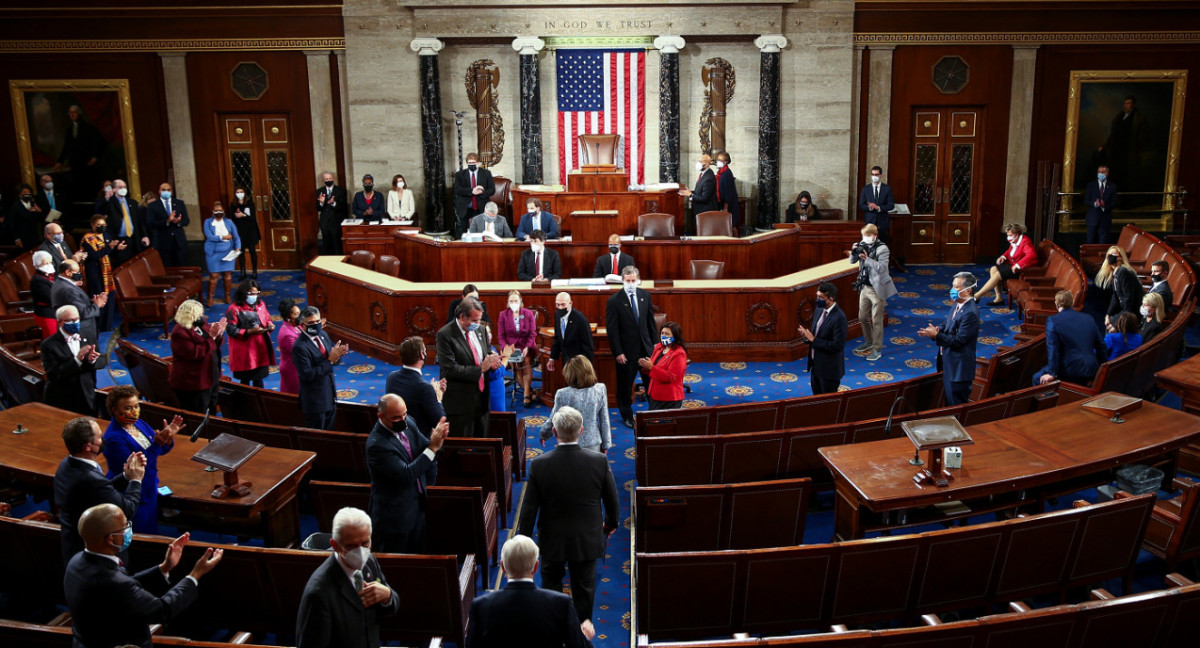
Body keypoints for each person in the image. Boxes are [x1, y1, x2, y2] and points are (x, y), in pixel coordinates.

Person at [64, 503, 222, 648]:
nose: (128, 530)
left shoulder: (76, 562)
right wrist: (195, 574)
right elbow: (162, 610)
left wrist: (165, 567)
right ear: (110, 539)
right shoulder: (115, 583)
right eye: (125, 526)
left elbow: (122, 589)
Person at [518, 406, 619, 624]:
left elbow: (528, 510)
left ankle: (554, 635)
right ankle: (582, 634)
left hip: (552, 540)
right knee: (584, 592)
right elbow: (612, 501)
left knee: (551, 590)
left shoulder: (539, 464)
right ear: (581, 430)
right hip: (587, 539)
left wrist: (523, 541)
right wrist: (610, 525)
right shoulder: (599, 461)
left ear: (554, 432)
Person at [296, 507, 400, 648]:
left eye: (365, 543)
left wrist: (387, 597)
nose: (360, 552)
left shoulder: (370, 562)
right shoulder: (319, 592)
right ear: (335, 545)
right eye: (351, 546)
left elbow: (390, 606)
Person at [465, 535, 594, 648]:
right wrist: (585, 637)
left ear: (503, 566)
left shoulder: (481, 606)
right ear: (536, 566)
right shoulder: (561, 603)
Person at [54, 417, 146, 565]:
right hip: (96, 557)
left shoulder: (66, 465)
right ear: (88, 447)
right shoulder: (90, 480)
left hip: (72, 546)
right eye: (99, 437)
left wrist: (125, 476)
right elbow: (127, 510)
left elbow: (102, 491)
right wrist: (136, 480)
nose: (103, 440)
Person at [366, 394, 448, 554]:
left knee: (418, 556)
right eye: (396, 417)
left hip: (417, 505)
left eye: (404, 414)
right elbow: (406, 475)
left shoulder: (408, 422)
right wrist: (433, 448)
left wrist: (438, 439)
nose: (403, 420)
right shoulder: (377, 445)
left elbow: (427, 446)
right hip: (395, 517)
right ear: (381, 416)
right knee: (398, 566)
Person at [102, 385, 183, 534]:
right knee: (140, 534)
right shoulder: (113, 439)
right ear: (114, 410)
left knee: (151, 529)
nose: (134, 411)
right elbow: (135, 468)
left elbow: (159, 449)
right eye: (128, 408)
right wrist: (158, 443)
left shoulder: (138, 424)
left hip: (149, 486)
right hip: (131, 493)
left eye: (136, 405)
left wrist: (167, 438)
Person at [437, 298, 502, 437]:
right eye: (474, 321)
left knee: (482, 444)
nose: (478, 324)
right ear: (462, 317)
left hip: (482, 398)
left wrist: (493, 361)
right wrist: (481, 369)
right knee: (461, 447)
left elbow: (486, 352)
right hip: (460, 402)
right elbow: (450, 369)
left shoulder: (482, 330)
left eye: (479, 320)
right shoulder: (445, 335)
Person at [918, 271, 980, 406]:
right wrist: (938, 329)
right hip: (949, 365)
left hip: (959, 370)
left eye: (956, 287)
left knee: (955, 407)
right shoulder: (957, 305)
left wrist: (936, 335)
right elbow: (948, 323)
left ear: (968, 290)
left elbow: (958, 341)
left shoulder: (970, 313)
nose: (952, 290)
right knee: (948, 404)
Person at [606, 266, 656, 429]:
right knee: (625, 387)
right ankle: (627, 416)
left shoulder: (645, 295)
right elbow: (612, 330)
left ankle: (653, 413)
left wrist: (655, 346)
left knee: (651, 384)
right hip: (626, 353)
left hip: (646, 349)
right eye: (627, 281)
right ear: (622, 280)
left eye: (633, 281)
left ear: (638, 280)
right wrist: (618, 352)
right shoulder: (614, 301)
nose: (630, 284)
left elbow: (650, 322)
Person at [42, 305, 107, 415]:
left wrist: (92, 360)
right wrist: (77, 360)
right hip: (63, 398)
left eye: (76, 319)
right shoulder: (49, 345)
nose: (74, 323)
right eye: (70, 320)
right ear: (59, 322)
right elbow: (53, 374)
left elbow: (102, 361)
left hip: (87, 394)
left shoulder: (88, 336)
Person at [1034, 289, 1107, 386]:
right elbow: (1101, 346)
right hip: (1091, 368)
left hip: (1070, 369)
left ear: (1056, 304)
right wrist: (1102, 370)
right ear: (1072, 303)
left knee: (1036, 378)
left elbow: (1053, 349)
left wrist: (1052, 373)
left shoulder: (1052, 321)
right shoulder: (1089, 318)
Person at [539, 356, 610, 452]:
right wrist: (606, 444)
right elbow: (604, 419)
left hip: (569, 443)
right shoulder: (600, 389)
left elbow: (554, 419)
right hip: (593, 442)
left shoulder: (562, 393)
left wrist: (544, 434)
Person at [294, 306, 350, 430]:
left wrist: (338, 355)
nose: (316, 325)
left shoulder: (323, 335)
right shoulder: (300, 347)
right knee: (317, 439)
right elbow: (307, 375)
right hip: (315, 403)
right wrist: (330, 361)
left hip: (330, 397)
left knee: (329, 436)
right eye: (311, 323)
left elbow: (332, 359)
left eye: (318, 321)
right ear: (303, 325)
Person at [169, 300, 226, 414]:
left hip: (210, 375)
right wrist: (212, 337)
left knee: (212, 408)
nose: (201, 316)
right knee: (200, 413)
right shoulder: (180, 333)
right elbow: (194, 353)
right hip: (194, 382)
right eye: (198, 314)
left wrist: (218, 334)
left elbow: (212, 341)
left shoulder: (200, 323)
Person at [850, 223, 896, 362]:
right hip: (865, 286)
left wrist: (867, 259)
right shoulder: (862, 245)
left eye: (868, 236)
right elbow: (852, 261)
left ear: (875, 236)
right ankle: (869, 341)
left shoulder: (882, 249)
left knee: (877, 320)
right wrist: (854, 252)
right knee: (862, 317)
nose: (865, 238)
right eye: (864, 235)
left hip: (877, 288)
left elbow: (882, 268)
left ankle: (877, 349)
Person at [384, 336, 446, 434]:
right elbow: (440, 423)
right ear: (422, 355)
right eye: (425, 351)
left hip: (397, 435)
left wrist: (430, 393)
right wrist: (438, 398)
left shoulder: (391, 377)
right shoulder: (424, 388)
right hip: (419, 441)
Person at [797, 283, 848, 395]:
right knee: (816, 400)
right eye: (817, 296)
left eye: (821, 297)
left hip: (829, 370)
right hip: (816, 367)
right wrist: (806, 337)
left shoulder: (839, 318)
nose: (817, 300)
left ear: (831, 298)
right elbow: (815, 335)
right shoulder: (819, 310)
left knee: (828, 403)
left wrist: (813, 339)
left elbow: (837, 346)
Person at [52, 104, 107, 202]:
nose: (72, 115)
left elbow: (99, 143)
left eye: (74, 112)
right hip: (75, 165)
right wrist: (60, 161)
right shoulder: (69, 130)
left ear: (79, 114)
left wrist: (94, 157)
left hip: (88, 164)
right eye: (70, 113)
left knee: (89, 187)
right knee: (76, 187)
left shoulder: (89, 128)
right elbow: (66, 147)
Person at [225, 280, 275, 387]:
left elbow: (267, 318)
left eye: (256, 294)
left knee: (259, 381)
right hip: (245, 351)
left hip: (260, 348)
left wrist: (270, 325)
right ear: (243, 293)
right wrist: (249, 332)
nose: (254, 296)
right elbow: (231, 330)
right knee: (245, 383)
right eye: (251, 293)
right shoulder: (234, 309)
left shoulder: (261, 304)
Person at [976, 223, 1038, 306]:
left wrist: (1018, 265)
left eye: (1010, 235)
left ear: (1017, 234)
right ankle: (999, 298)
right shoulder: (1015, 240)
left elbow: (1031, 255)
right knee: (993, 269)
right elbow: (1009, 251)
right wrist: (1003, 257)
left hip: (1022, 269)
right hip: (1013, 265)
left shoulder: (1025, 241)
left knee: (998, 274)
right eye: (1007, 235)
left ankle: (977, 295)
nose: (1008, 237)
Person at [80, 213, 123, 332]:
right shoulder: (87, 239)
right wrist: (109, 248)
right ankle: (98, 325)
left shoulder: (106, 235)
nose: (102, 227)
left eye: (104, 225)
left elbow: (108, 253)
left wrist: (116, 249)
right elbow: (93, 256)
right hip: (94, 272)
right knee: (99, 296)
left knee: (110, 295)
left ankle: (107, 325)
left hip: (107, 271)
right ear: (92, 225)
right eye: (99, 225)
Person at [51, 258, 108, 343]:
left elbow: (73, 302)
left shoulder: (59, 282)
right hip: (81, 332)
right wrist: (97, 305)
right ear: (67, 272)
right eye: (77, 272)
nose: (79, 274)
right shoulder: (68, 289)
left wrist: (92, 301)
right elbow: (83, 313)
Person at [497, 290, 539, 406]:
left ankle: (526, 394)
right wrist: (505, 347)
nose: (513, 302)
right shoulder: (503, 315)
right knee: (516, 366)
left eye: (516, 300)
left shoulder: (528, 313)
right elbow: (500, 336)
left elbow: (533, 333)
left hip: (526, 346)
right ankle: (530, 391)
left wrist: (527, 347)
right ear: (508, 302)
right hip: (511, 348)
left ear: (520, 301)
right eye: (511, 301)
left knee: (525, 362)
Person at [1099, 96, 1147, 191]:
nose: (1126, 106)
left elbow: (1144, 135)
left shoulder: (1139, 118)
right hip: (1116, 151)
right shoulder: (1119, 116)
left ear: (1133, 105)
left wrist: (1136, 146)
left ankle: (1126, 201)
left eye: (1128, 103)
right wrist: (1105, 146)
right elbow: (1113, 134)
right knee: (1115, 173)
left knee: (1127, 176)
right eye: (1125, 103)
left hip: (1129, 152)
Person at [639, 320, 689, 409]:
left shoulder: (679, 353)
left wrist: (651, 367)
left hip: (669, 397)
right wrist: (646, 365)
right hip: (654, 393)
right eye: (662, 333)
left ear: (675, 336)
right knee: (653, 420)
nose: (664, 336)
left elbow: (671, 377)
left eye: (667, 334)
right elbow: (653, 365)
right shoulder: (659, 347)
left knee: (667, 422)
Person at [203, 201, 241, 306]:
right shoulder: (207, 222)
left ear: (223, 211)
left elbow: (236, 236)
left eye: (220, 210)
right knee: (214, 275)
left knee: (227, 274)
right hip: (213, 252)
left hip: (228, 251)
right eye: (216, 210)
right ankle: (210, 298)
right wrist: (224, 237)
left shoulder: (229, 222)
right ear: (213, 212)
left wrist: (237, 248)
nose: (218, 212)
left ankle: (227, 296)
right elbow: (210, 236)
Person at [1097, 245, 1144, 328]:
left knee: (1110, 327)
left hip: (1134, 312)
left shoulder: (1123, 271)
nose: (1111, 257)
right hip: (1127, 311)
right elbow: (1115, 296)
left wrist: (1120, 321)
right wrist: (1108, 315)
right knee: (1109, 323)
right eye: (1109, 254)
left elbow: (1129, 299)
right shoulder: (1116, 273)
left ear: (1120, 258)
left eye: (1114, 254)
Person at [145, 182, 190, 267]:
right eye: (163, 190)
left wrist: (178, 222)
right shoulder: (153, 206)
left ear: (171, 191)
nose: (166, 191)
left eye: (168, 190)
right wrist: (167, 221)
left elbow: (186, 221)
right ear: (159, 191)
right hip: (162, 243)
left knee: (181, 266)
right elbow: (150, 223)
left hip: (178, 242)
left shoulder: (179, 203)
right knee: (167, 268)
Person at [547, 291, 594, 372]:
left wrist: (588, 367)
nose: (560, 308)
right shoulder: (557, 315)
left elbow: (588, 345)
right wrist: (552, 358)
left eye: (563, 304)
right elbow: (558, 338)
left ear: (570, 303)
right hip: (566, 361)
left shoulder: (580, 319)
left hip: (579, 363)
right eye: (557, 304)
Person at [106, 178, 149, 266]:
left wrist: (145, 235)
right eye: (120, 187)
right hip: (120, 241)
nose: (123, 189)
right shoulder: (110, 203)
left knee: (136, 265)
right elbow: (104, 213)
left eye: (124, 187)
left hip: (134, 239)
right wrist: (108, 198)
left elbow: (140, 221)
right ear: (114, 189)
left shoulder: (132, 203)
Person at [453, 153, 495, 237]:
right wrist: (472, 191)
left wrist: (482, 192)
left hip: (480, 205)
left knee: (480, 231)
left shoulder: (486, 173)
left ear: (478, 163)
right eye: (469, 163)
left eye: (474, 163)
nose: (471, 165)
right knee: (463, 232)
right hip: (465, 206)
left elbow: (492, 190)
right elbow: (457, 190)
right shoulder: (460, 174)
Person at [229, 187, 260, 280]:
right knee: (241, 252)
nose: (239, 193)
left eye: (241, 192)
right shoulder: (233, 205)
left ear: (244, 193)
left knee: (252, 251)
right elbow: (232, 218)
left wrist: (243, 215)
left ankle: (254, 271)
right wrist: (237, 216)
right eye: (237, 192)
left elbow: (252, 217)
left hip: (250, 230)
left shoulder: (250, 203)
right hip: (239, 231)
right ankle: (243, 272)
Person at [857, 166, 895, 242]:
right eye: (873, 174)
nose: (874, 176)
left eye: (876, 174)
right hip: (870, 220)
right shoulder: (866, 189)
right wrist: (870, 207)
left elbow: (891, 205)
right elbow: (861, 205)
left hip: (882, 221)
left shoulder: (887, 189)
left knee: (882, 242)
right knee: (869, 242)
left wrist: (878, 207)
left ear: (880, 175)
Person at [317, 171, 349, 255]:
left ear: (333, 178)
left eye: (330, 178)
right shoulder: (320, 191)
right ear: (323, 180)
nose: (328, 180)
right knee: (326, 246)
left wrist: (333, 203)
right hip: (325, 224)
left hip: (336, 223)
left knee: (337, 246)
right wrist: (322, 202)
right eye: (326, 179)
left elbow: (343, 207)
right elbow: (317, 207)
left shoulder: (340, 191)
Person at [1084, 164, 1117, 245]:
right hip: (1092, 218)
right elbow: (1086, 201)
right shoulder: (1091, 185)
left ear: (1107, 173)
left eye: (1103, 172)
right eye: (1099, 172)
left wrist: (1105, 205)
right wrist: (1095, 203)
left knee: (1103, 243)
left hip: (1105, 219)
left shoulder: (1112, 187)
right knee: (1090, 242)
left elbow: (1114, 203)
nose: (1101, 174)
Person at [276, 298, 303, 395]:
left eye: (299, 313)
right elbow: (299, 350)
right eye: (296, 314)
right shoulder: (287, 334)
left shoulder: (296, 325)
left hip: (298, 366)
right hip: (292, 369)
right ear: (288, 316)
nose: (300, 316)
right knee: (295, 397)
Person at [677, 153, 717, 218]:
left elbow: (704, 198)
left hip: (705, 212)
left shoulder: (709, 178)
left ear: (706, 164)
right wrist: (690, 192)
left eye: (700, 161)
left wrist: (690, 195)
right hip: (699, 210)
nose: (698, 163)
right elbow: (700, 192)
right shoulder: (703, 174)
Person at [31, 249, 58, 338]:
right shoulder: (38, 280)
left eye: (50, 262)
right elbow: (49, 298)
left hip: (55, 311)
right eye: (46, 263)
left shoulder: (50, 276)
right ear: (39, 265)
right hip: (47, 313)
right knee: (52, 338)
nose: (49, 265)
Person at [8, 183, 43, 249]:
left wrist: (39, 212)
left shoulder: (33, 204)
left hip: (34, 236)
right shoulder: (16, 206)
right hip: (23, 237)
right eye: (24, 192)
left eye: (29, 192)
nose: (27, 194)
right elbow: (12, 224)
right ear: (19, 194)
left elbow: (39, 220)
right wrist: (17, 239)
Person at [713, 150, 741, 234]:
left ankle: (737, 244)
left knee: (732, 225)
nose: (717, 162)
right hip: (723, 203)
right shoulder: (721, 173)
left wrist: (725, 207)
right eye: (717, 160)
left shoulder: (727, 174)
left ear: (725, 162)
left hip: (730, 205)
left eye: (719, 160)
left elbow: (728, 193)